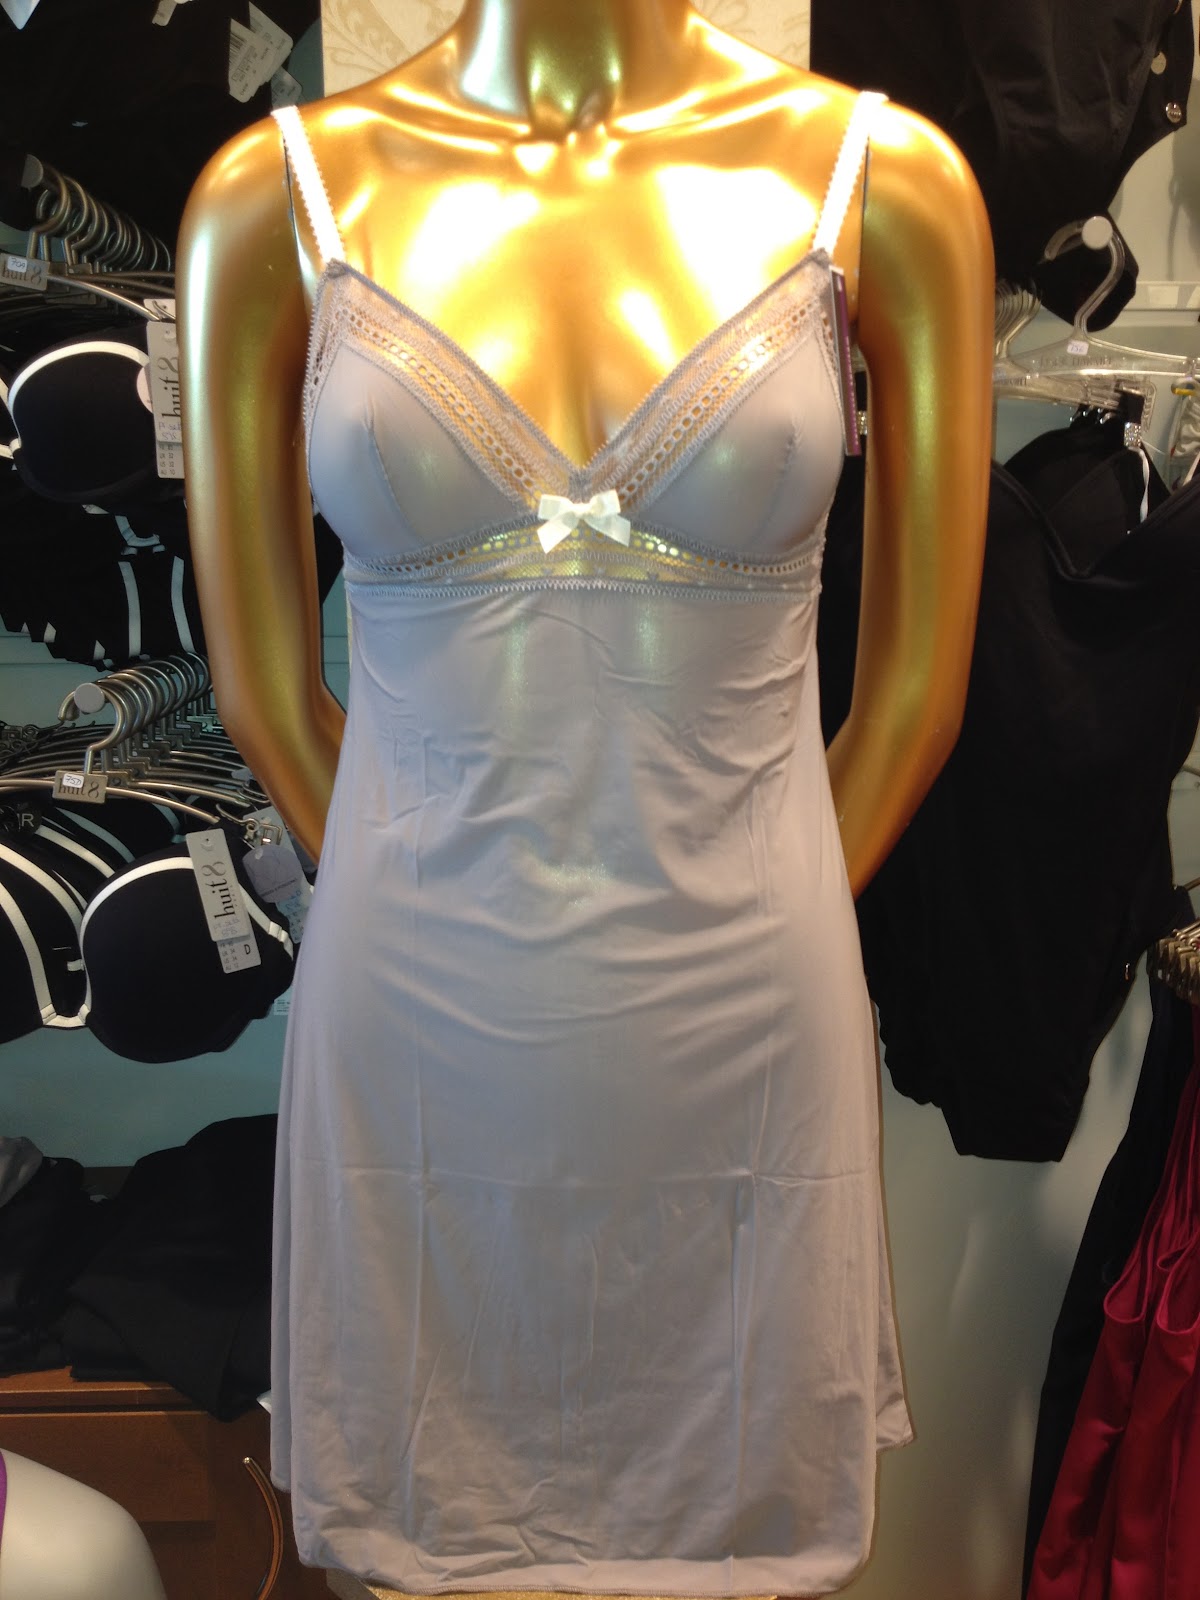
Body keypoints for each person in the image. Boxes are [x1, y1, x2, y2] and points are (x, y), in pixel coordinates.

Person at [179, 2, 993, 1593]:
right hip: (416, 1026)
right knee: (426, 1536)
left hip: (743, 1022)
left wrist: (748, 906)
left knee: (742, 1539)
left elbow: (915, 703)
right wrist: (442, 904)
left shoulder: (889, 184)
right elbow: (263, 697)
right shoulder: (270, 200)